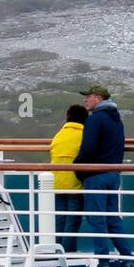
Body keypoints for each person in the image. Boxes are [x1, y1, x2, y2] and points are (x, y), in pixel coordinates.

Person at [73, 84, 133, 267]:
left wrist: (78, 167)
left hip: (95, 174)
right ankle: (128, 259)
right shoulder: (116, 120)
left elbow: (88, 148)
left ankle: (103, 262)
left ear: (98, 98)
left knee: (96, 219)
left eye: (88, 97)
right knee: (112, 218)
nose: (85, 100)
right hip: (113, 174)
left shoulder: (95, 120)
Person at [49, 104, 88, 253]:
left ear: (68, 117)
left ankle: (55, 256)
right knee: (72, 223)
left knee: (59, 222)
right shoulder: (83, 135)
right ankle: (68, 256)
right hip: (75, 185)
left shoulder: (59, 135)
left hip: (57, 183)